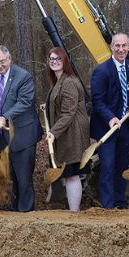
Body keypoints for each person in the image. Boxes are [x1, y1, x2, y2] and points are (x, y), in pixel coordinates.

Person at [0, 45, 41, 212]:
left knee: (23, 179)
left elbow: (25, 102)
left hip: (22, 136)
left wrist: (4, 116)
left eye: (2, 62)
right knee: (9, 177)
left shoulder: (23, 77)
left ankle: (26, 214)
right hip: (2, 137)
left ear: (9, 58)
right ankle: (14, 213)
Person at [90, 33, 129, 209]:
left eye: (124, 46)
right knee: (108, 166)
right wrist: (111, 118)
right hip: (107, 128)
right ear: (111, 47)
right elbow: (97, 100)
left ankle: (120, 202)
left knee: (122, 165)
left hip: (125, 128)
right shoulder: (101, 71)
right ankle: (108, 206)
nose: (121, 49)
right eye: (117, 46)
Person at [40, 47, 90, 212]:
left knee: (71, 174)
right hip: (66, 132)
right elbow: (60, 103)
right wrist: (47, 107)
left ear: (65, 61)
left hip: (72, 134)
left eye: (58, 59)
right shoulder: (58, 79)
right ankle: (72, 209)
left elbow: (69, 112)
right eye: (51, 59)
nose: (54, 62)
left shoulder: (69, 82)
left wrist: (53, 133)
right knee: (69, 173)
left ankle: (74, 212)